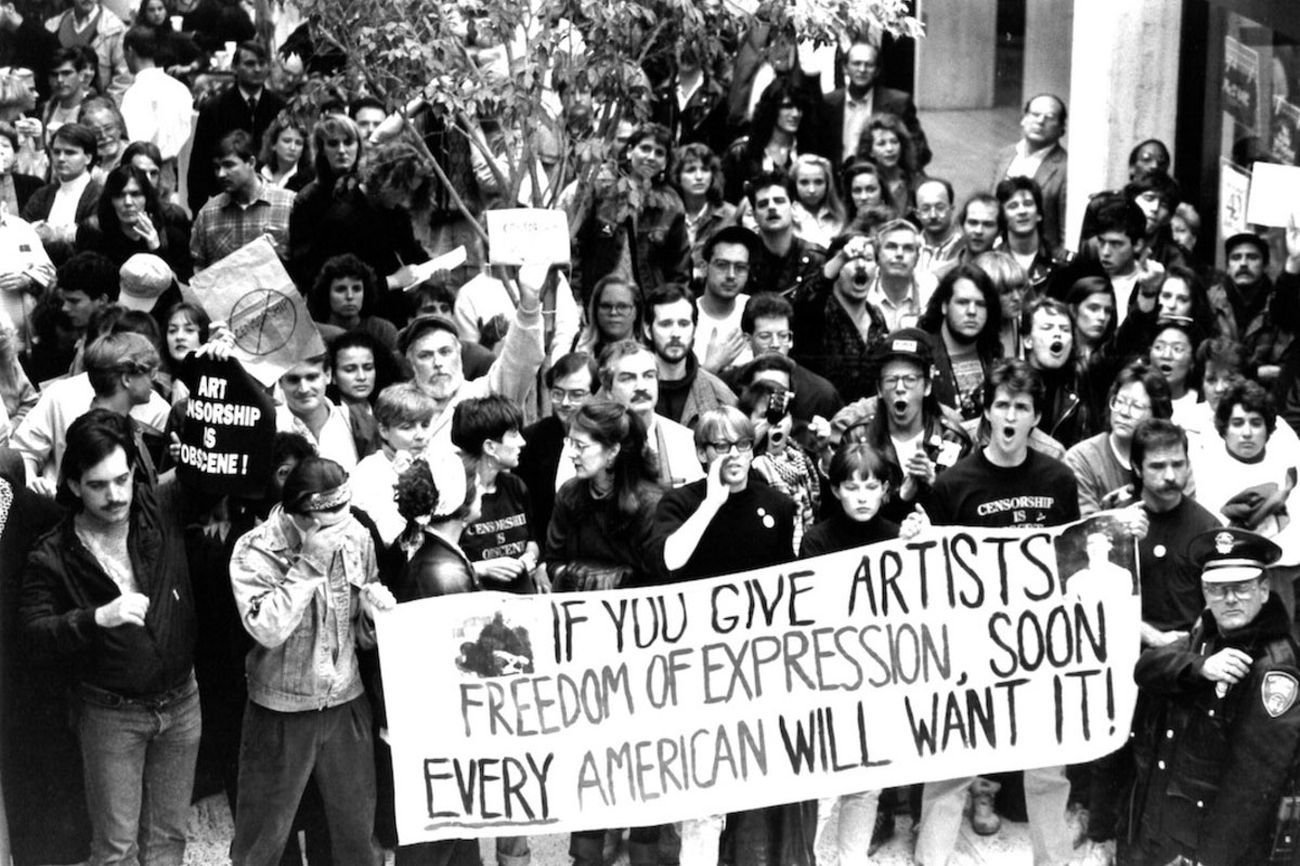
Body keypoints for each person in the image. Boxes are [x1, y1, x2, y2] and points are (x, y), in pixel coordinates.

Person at [918, 359, 1080, 866]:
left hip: (1039, 642)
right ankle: (931, 860)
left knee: (1048, 767)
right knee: (952, 765)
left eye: (1023, 407)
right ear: (986, 412)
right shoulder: (954, 484)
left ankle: (1052, 861)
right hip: (970, 643)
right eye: (1003, 405)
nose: (1012, 416)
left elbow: (1069, 560)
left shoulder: (1057, 479)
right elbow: (935, 570)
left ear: (1035, 417)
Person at [20, 409, 198, 866]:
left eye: (122, 479)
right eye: (98, 485)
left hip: (181, 702)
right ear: (74, 484)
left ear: (135, 470)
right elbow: (35, 633)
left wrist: (231, 367)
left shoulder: (158, 505)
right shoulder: (53, 552)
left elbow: (227, 464)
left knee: (169, 839)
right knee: (117, 849)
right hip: (110, 714)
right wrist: (96, 617)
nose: (116, 495)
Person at [653, 405, 806, 866]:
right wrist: (712, 503)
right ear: (702, 453)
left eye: (743, 444)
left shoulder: (777, 505)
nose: (735, 455)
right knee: (704, 791)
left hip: (756, 666)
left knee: (755, 784)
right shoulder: (679, 503)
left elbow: (788, 585)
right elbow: (669, 561)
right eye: (722, 446)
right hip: (697, 666)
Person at [228, 457, 395, 866]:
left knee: (358, 836)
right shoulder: (255, 549)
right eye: (330, 522)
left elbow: (358, 633)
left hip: (345, 701)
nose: (345, 528)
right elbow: (267, 628)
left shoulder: (357, 534)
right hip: (281, 709)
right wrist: (310, 563)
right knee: (263, 838)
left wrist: (373, 618)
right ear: (299, 516)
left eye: (347, 514)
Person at [1122, 527, 1300, 866]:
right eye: (1218, 590)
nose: (1229, 599)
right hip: (1170, 823)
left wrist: (1210, 859)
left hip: (1215, 843)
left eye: (1242, 588)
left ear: (1264, 590)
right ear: (1205, 593)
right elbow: (1146, 668)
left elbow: (1251, 787)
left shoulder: (1273, 670)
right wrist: (1200, 667)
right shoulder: (1207, 634)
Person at [800, 441, 925, 866]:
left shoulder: (897, 535)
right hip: (830, 679)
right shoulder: (817, 540)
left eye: (871, 487)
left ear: (887, 490)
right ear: (834, 490)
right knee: (823, 787)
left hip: (879, 678)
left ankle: (852, 857)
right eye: (851, 487)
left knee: (868, 781)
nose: (861, 497)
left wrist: (917, 548)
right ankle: (809, 856)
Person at [397, 267, 546, 450]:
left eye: (445, 352)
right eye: (425, 355)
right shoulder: (398, 407)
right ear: (410, 362)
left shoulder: (483, 396)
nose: (438, 363)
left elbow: (519, 362)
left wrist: (529, 308)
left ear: (459, 352)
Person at [572, 122, 691, 300]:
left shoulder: (672, 205)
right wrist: (576, 299)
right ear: (629, 151)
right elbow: (576, 246)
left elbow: (679, 267)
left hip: (647, 301)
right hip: (598, 298)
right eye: (645, 148)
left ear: (666, 162)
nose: (651, 157)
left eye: (659, 153)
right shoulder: (601, 188)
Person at [452, 395, 541, 595]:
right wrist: (481, 569)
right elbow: (438, 562)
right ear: (490, 447)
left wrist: (529, 559)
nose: (522, 442)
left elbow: (533, 541)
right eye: (513, 434)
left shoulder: (516, 486)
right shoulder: (455, 496)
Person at [187, 39, 285, 214]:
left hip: (270, 199)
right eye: (250, 63)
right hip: (224, 199)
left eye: (262, 64)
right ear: (234, 67)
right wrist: (197, 208)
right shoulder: (215, 108)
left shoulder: (279, 107)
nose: (257, 69)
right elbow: (199, 163)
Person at [1063, 360, 1172, 516]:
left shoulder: (1171, 457)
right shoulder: (1081, 458)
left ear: (1156, 414)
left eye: (1136, 406)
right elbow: (1085, 526)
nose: (1124, 412)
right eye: (1119, 402)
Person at [794, 231, 888, 401]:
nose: (860, 265)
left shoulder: (877, 318)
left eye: (867, 259)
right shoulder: (818, 310)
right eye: (851, 260)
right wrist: (842, 257)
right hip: (822, 416)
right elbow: (805, 296)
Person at [599, 339, 703, 488]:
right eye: (627, 378)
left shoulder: (684, 440)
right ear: (608, 390)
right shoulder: (589, 440)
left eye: (648, 376)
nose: (641, 387)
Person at [189, 129, 295, 273]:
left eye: (229, 165)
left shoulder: (288, 204)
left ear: (250, 163)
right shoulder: (208, 214)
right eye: (216, 167)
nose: (221, 174)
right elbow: (198, 267)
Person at [822, 39, 930, 178]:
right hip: (837, 183)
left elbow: (920, 150)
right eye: (856, 64)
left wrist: (895, 176)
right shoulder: (828, 103)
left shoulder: (898, 103)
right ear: (845, 68)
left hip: (882, 182)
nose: (862, 70)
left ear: (877, 70)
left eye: (869, 65)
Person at [517, 351, 597, 537]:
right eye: (558, 393)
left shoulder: (609, 440)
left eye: (576, 395)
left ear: (596, 394)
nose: (565, 403)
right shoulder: (531, 440)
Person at [351, 382, 435, 549]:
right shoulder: (367, 474)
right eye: (407, 427)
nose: (420, 435)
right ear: (384, 430)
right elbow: (388, 537)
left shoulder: (436, 464)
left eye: (425, 425)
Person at [643, 283, 736, 429]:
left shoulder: (719, 395)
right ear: (648, 330)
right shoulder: (624, 385)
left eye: (684, 324)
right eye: (665, 324)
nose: (675, 334)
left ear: (694, 329)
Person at [916, 263, 1002, 420]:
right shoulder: (921, 355)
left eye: (980, 304)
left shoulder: (994, 356)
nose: (972, 311)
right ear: (944, 306)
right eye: (962, 302)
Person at [76, 163, 192, 278]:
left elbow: (181, 289)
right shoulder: (94, 235)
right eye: (119, 195)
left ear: (147, 198)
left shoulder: (172, 237)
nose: (128, 202)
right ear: (110, 200)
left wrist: (156, 248)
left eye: (135, 194)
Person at [1208, 232, 1294, 384]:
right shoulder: (1211, 302)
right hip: (1219, 389)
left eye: (1252, 257)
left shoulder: (1279, 303)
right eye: (1236, 257)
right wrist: (1254, 372)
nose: (1243, 263)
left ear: (1265, 266)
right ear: (1227, 267)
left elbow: (1281, 365)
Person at [992, 93, 1068, 250]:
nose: (1040, 121)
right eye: (1035, 115)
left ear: (1061, 129)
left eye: (1050, 117)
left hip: (1039, 255)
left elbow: (1065, 232)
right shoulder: (1005, 154)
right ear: (1023, 119)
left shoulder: (1066, 168)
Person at [21, 121, 100, 259]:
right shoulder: (42, 194)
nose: (61, 158)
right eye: (56, 152)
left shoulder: (99, 195)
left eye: (70, 153)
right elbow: (21, 232)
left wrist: (53, 234)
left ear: (88, 157)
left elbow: (93, 237)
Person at [745, 169, 827, 301]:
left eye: (779, 201)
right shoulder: (744, 261)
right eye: (763, 204)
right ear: (754, 215)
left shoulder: (818, 260)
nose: (771, 207)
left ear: (793, 208)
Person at [118, 24, 192, 165]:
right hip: (176, 168)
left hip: (146, 167)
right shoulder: (180, 89)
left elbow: (135, 141)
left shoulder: (135, 94)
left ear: (129, 50)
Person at [693, 224, 757, 373]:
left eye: (740, 267)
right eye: (722, 265)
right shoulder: (686, 317)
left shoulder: (756, 310)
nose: (731, 275)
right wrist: (711, 367)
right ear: (704, 267)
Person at [44, 0, 131, 103]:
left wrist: (105, 106)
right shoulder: (53, 26)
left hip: (95, 109)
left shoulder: (114, 29)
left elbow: (124, 78)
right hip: (58, 107)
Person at [307, 253, 399, 350]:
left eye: (356, 289)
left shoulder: (382, 331)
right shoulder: (315, 334)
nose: (350, 296)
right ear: (326, 294)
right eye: (340, 289)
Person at [672, 142, 737, 281]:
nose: (699, 176)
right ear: (677, 176)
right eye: (690, 170)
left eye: (705, 169)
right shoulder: (668, 214)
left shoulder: (729, 215)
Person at [866, 217, 934, 333]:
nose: (899, 254)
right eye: (891, 247)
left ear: (917, 257)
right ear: (877, 253)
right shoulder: (863, 290)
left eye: (908, 248)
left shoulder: (930, 290)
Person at [857, 111, 921, 216]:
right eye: (881, 144)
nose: (890, 149)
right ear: (870, 151)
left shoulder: (915, 183)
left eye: (894, 142)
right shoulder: (862, 184)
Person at [571, 274, 643, 361]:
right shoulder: (579, 347)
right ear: (595, 310)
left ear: (636, 311)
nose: (613, 312)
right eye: (606, 306)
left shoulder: (650, 353)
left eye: (622, 306)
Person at [788, 153, 846, 249]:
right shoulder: (788, 217)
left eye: (818, 182)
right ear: (794, 184)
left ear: (827, 184)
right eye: (804, 182)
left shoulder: (839, 215)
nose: (812, 190)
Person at [914, 177, 962, 280]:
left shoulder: (963, 248)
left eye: (940, 207)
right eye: (925, 209)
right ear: (917, 214)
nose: (933, 215)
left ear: (952, 209)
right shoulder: (909, 246)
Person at [257, 112, 314, 191]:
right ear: (273, 144)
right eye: (287, 141)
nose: (293, 148)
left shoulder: (310, 181)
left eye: (298, 143)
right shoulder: (258, 173)